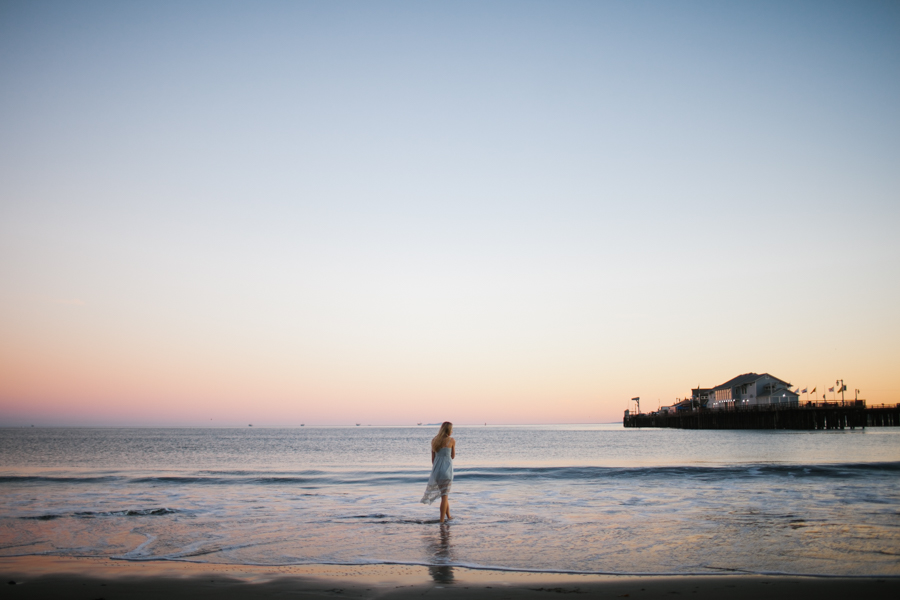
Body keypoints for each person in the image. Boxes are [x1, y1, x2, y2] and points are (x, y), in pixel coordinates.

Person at [420, 421, 455, 522]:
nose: (452, 431)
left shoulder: (434, 441)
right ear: (449, 430)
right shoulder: (451, 441)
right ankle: (441, 521)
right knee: (444, 496)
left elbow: (433, 460)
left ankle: (448, 517)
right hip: (447, 471)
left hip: (437, 471)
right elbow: (452, 456)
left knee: (444, 495)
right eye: (451, 429)